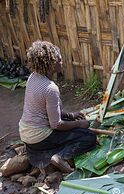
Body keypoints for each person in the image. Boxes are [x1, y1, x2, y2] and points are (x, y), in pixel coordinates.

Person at [19, 40, 97, 173]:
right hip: (41, 137)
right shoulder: (50, 88)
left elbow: (49, 112)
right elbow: (56, 125)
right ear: (50, 64)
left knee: (72, 125)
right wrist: (79, 125)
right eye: (58, 59)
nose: (61, 61)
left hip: (27, 135)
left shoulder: (33, 77)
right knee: (89, 137)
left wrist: (71, 115)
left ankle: (46, 156)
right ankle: (60, 157)